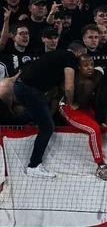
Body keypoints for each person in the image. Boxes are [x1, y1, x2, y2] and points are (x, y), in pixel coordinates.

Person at [13, 42, 86, 178]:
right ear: (78, 52)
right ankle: (33, 166)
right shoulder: (70, 57)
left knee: (38, 114)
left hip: (21, 86)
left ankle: (7, 121)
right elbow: (69, 87)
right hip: (29, 89)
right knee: (47, 127)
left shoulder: (56, 55)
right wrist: (70, 105)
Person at [58, 54, 107, 180]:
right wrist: (70, 104)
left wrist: (103, 119)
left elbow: (101, 100)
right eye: (86, 65)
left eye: (92, 65)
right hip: (70, 108)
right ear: (79, 67)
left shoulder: (98, 76)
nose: (89, 68)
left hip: (86, 108)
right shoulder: (73, 78)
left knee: (101, 127)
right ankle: (100, 166)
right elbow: (66, 93)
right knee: (93, 130)